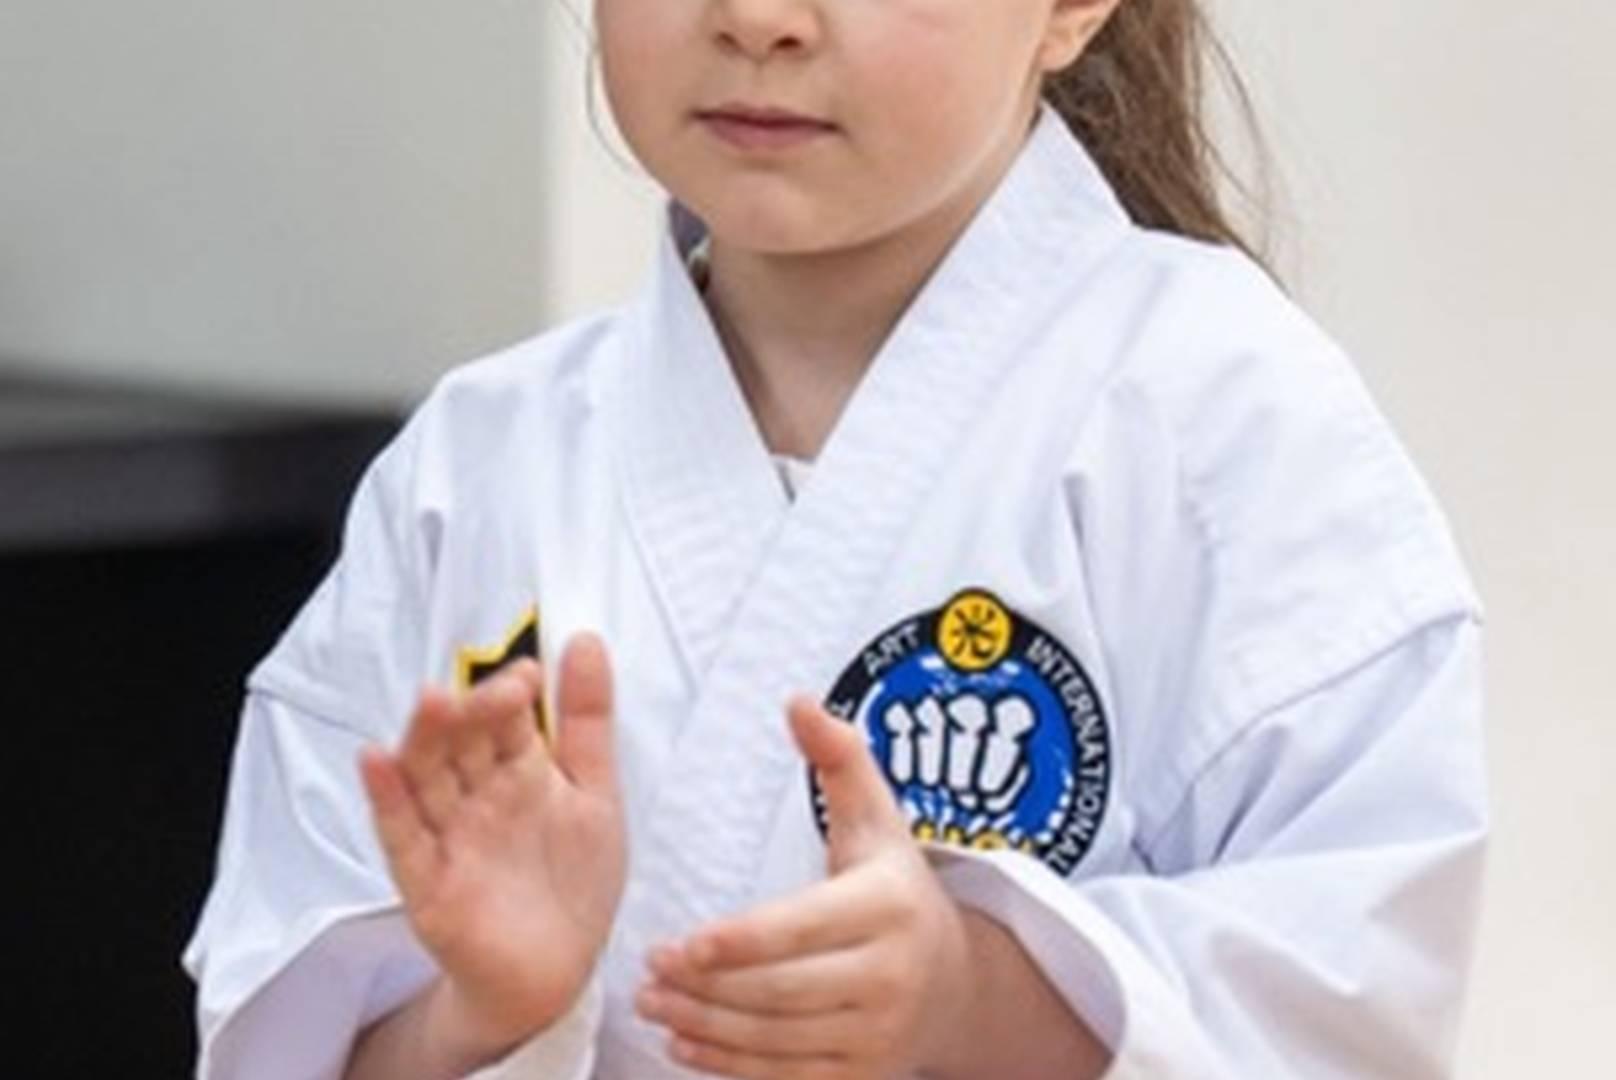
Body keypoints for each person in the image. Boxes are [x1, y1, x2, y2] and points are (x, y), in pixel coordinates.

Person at [184, 0, 1487, 1076]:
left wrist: (971, 992)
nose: (758, 21)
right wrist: (483, 1007)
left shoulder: (1224, 420)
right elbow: (275, 1009)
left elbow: (1353, 981)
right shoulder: (472, 472)